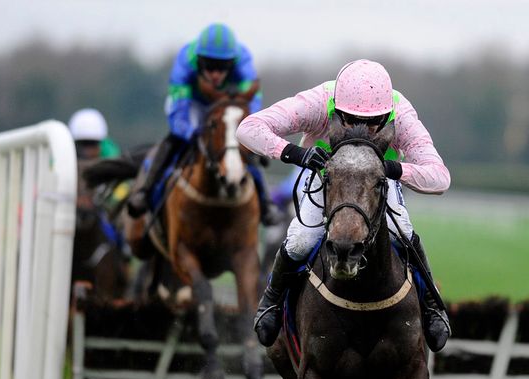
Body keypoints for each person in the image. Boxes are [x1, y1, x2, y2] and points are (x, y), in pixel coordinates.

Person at [236, 59, 452, 352]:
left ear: (387, 114)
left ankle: (431, 305)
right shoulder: (318, 101)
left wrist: (394, 169)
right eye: (349, 120)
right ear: (336, 108)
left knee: (402, 227)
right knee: (301, 240)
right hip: (326, 181)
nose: (360, 128)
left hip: (373, 185)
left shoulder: (401, 114)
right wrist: (295, 153)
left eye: (374, 123)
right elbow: (248, 128)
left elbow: (440, 177)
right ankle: (270, 301)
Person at [125, 23, 278, 224]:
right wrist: (192, 133)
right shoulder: (185, 60)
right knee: (174, 140)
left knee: (242, 143)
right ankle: (145, 192)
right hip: (193, 103)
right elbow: (178, 113)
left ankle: (265, 203)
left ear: (231, 64)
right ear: (198, 61)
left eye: (222, 67)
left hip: (227, 103)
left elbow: (252, 106)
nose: (215, 74)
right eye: (209, 65)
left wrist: (248, 134)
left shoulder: (244, 59)